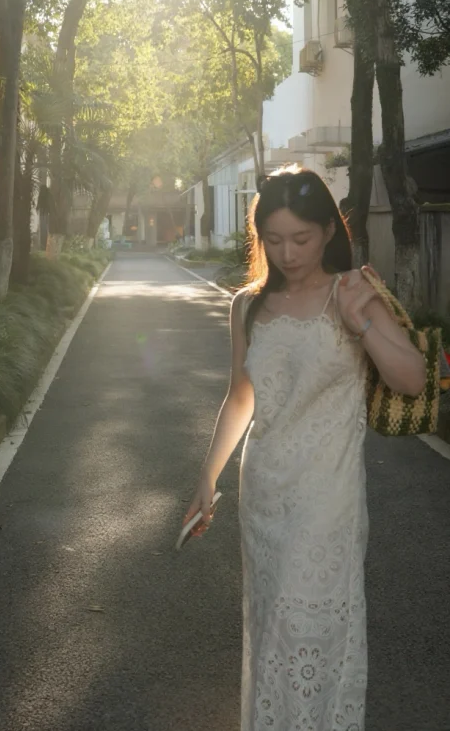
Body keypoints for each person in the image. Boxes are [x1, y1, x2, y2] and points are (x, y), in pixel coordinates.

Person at [184, 168, 426, 731]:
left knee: (312, 630)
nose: (287, 254)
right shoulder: (247, 306)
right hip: (264, 495)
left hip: (328, 500)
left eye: (301, 238)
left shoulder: (352, 291)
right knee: (273, 628)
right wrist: (207, 477)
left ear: (328, 231)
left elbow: (413, 379)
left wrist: (361, 324)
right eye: (273, 239)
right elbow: (240, 396)